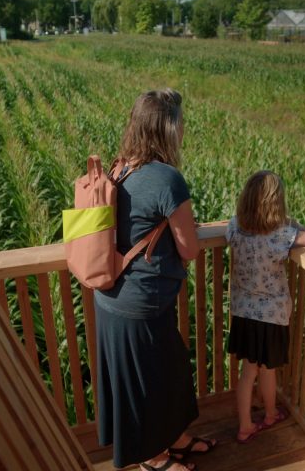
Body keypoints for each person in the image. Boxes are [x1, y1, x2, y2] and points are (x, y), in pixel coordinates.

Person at [95, 89, 216, 471]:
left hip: (113, 295)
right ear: (167, 129)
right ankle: (154, 457)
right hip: (140, 302)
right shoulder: (167, 178)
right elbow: (190, 249)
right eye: (179, 124)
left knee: (170, 371)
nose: (183, 131)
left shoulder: (120, 168)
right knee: (149, 382)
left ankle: (175, 438)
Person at [226, 170, 305, 443]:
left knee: (248, 371)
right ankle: (271, 414)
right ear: (276, 204)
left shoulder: (234, 225)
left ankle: (245, 425)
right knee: (268, 370)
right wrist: (295, 225)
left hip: (242, 312)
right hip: (271, 315)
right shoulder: (281, 234)